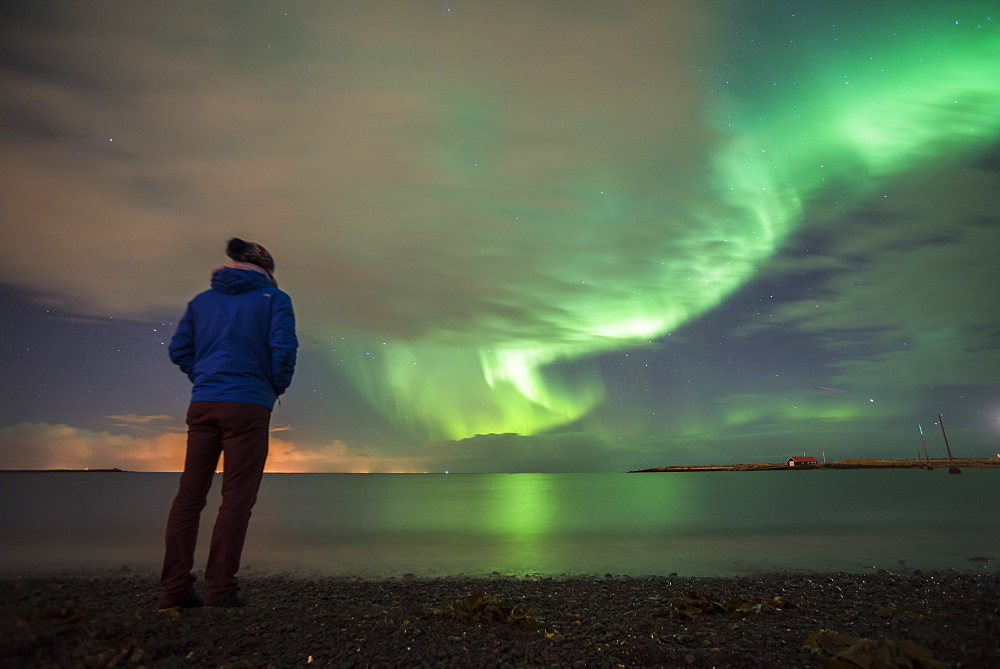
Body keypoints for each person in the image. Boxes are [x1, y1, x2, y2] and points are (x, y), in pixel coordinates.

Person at [158, 238, 298, 610]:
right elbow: (284, 349)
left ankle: (173, 591)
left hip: (203, 404)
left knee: (189, 497)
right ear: (266, 270)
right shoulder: (275, 301)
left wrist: (204, 375)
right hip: (249, 407)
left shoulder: (201, 302)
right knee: (236, 500)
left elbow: (179, 350)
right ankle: (219, 591)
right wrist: (273, 386)